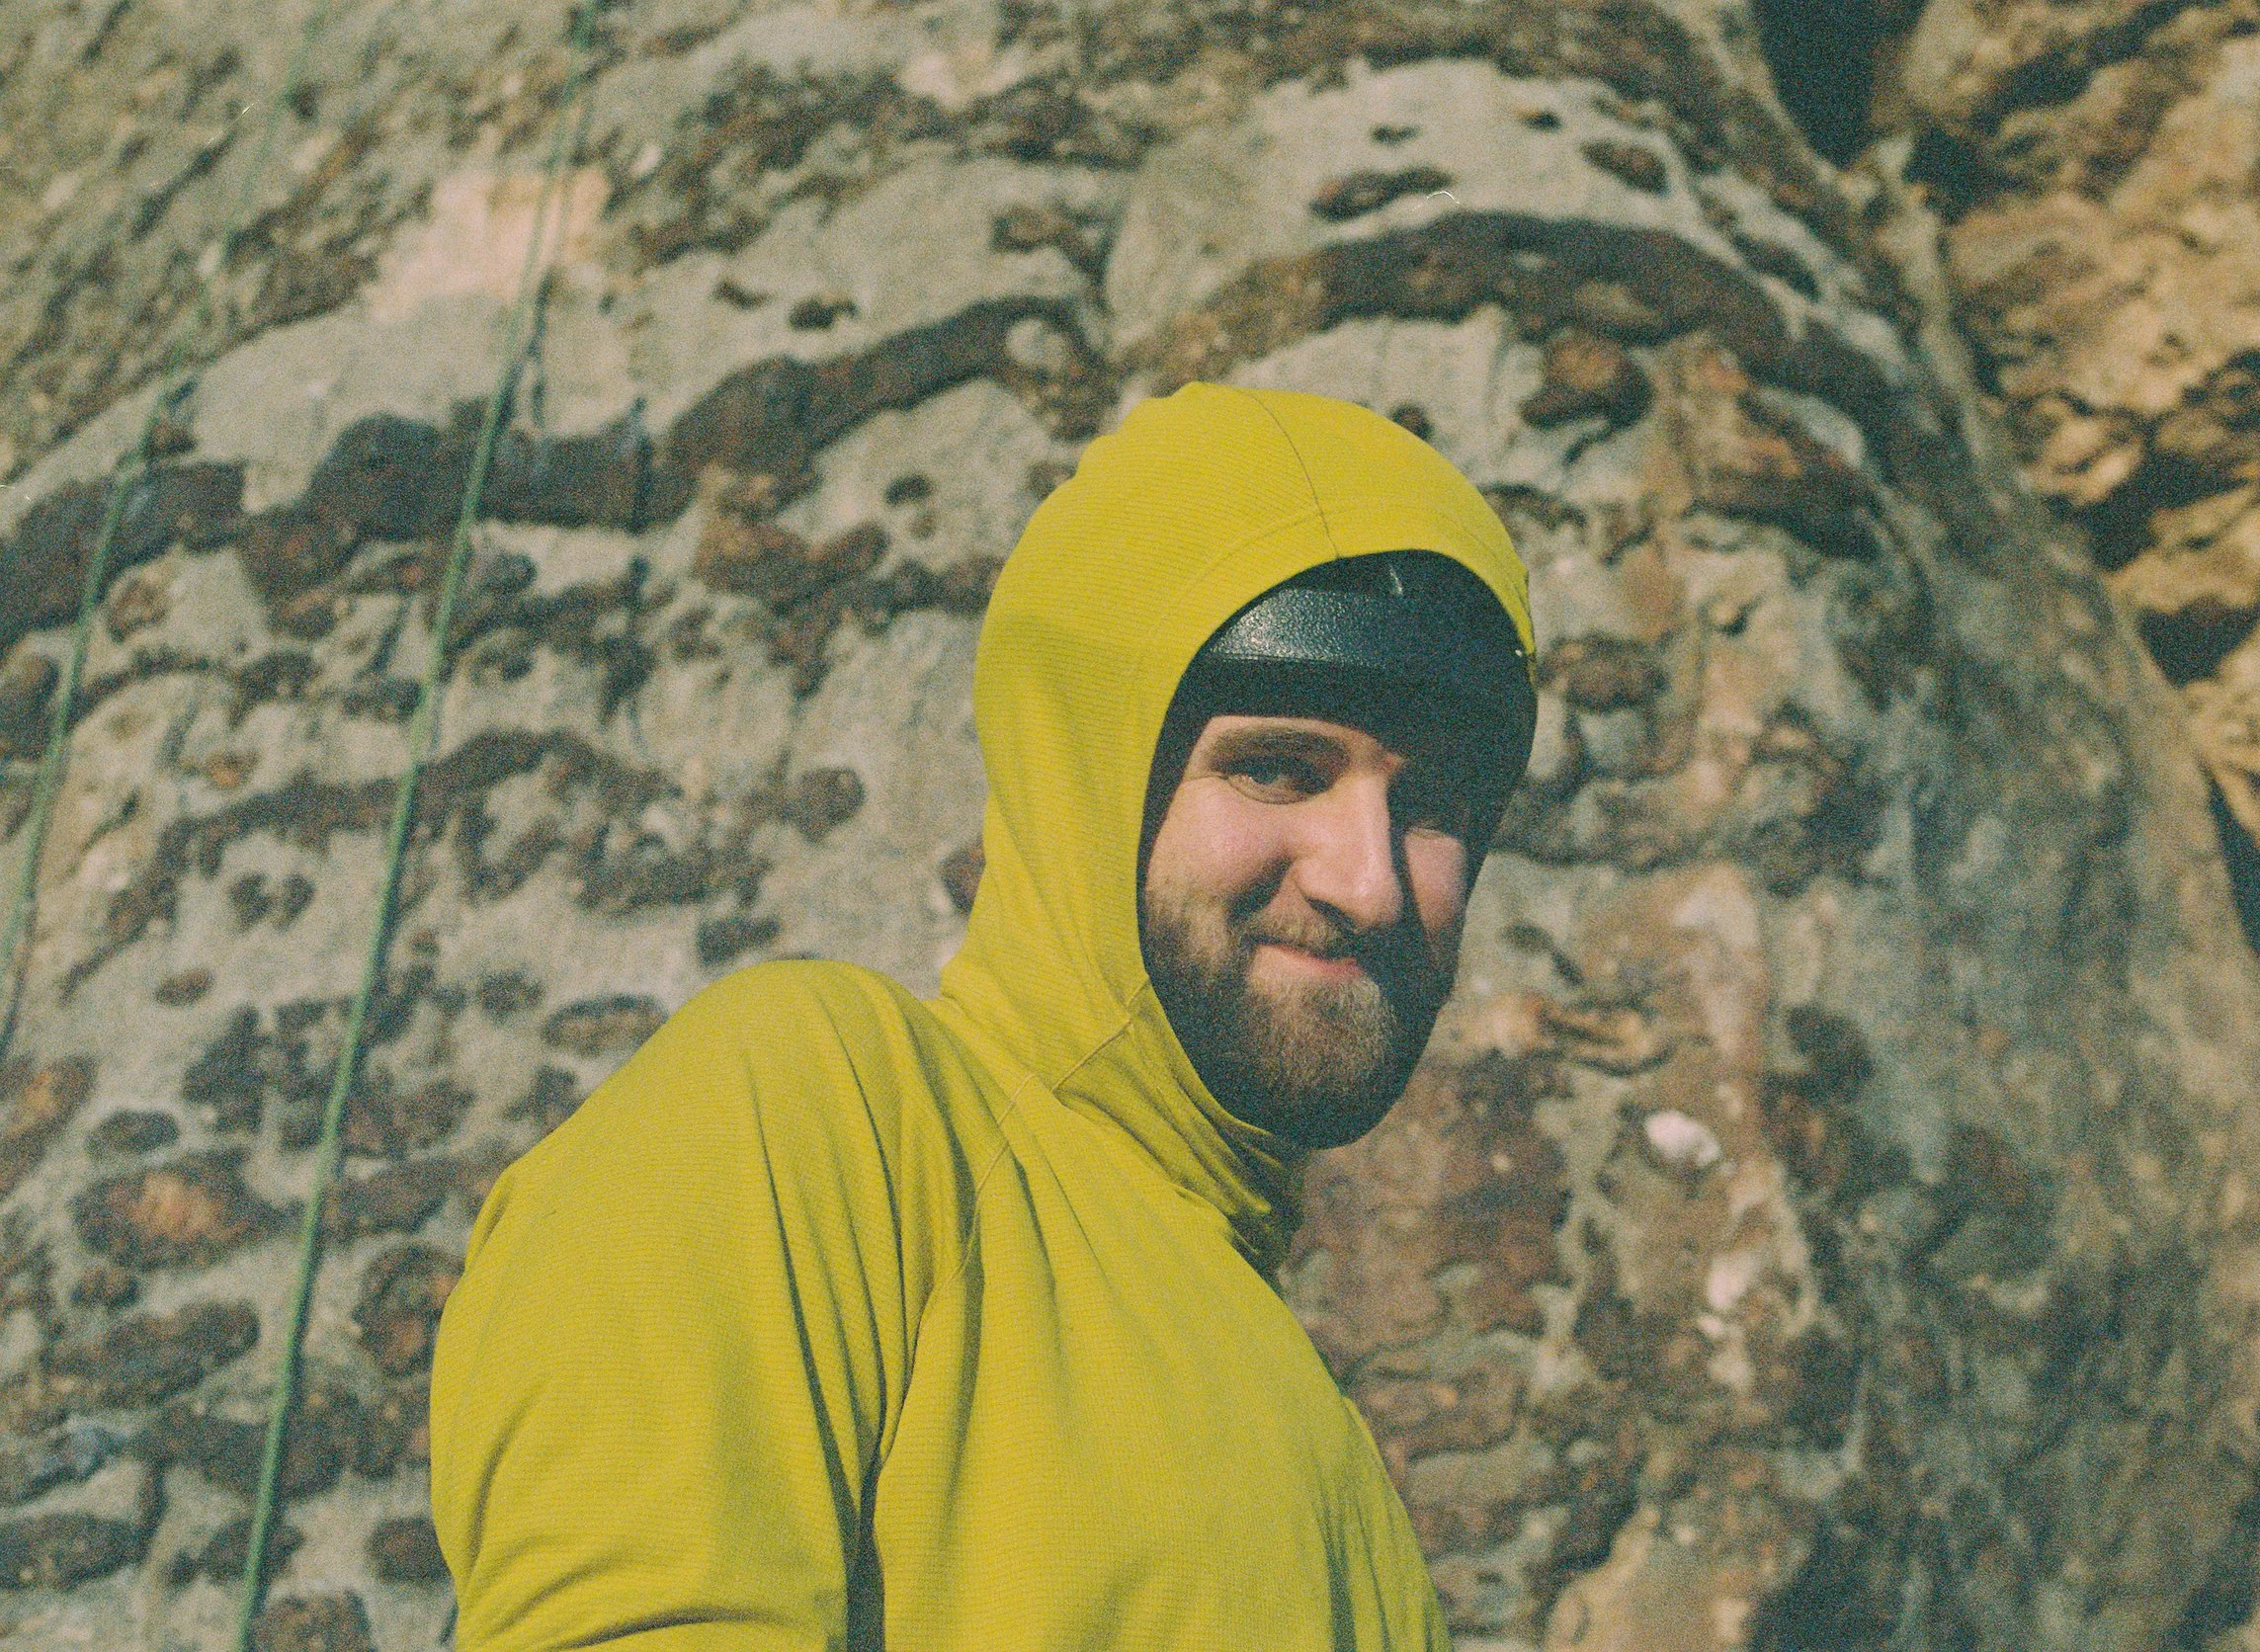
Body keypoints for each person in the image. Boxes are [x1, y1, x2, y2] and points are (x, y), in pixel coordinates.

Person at [429, 382, 1540, 1650]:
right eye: (1276, 767)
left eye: (1437, 801)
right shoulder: (826, 1108)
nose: (1370, 879)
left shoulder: (1324, 1440)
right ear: (1089, 767)